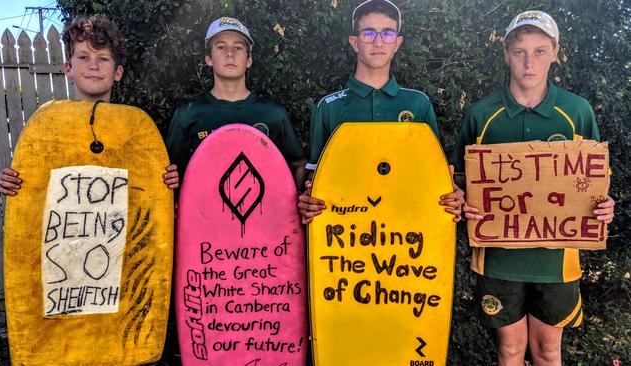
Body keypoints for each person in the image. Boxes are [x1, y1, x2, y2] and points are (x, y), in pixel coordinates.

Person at [451, 11, 615, 365]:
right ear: (506, 53)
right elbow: (459, 181)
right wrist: (463, 200)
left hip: (556, 262)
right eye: (520, 51)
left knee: (547, 351)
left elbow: (595, 179)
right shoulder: (482, 114)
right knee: (509, 350)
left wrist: (604, 206)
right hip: (498, 260)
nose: (529, 62)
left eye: (540, 51)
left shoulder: (577, 111)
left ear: (555, 52)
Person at [298, 0, 463, 223]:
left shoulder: (418, 104)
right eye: (368, 33)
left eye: (387, 34)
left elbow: (433, 174)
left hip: (408, 229)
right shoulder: (329, 106)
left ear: (397, 42)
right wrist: (308, 197)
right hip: (347, 234)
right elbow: (315, 176)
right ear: (354, 42)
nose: (378, 42)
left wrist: (452, 194)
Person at [0, 15, 179, 195]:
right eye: (84, 57)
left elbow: (145, 188)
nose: (93, 65)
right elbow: (35, 182)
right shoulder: (48, 128)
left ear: (117, 72)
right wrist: (12, 181)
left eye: (103, 58)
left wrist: (165, 179)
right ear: (68, 68)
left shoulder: (135, 130)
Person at [165, 16, 306, 188]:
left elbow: (299, 164)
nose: (230, 53)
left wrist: (296, 202)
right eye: (221, 47)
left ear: (249, 60)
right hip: (203, 215)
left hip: (264, 214)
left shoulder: (273, 114)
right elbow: (169, 173)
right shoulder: (187, 115)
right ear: (208, 58)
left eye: (238, 47)